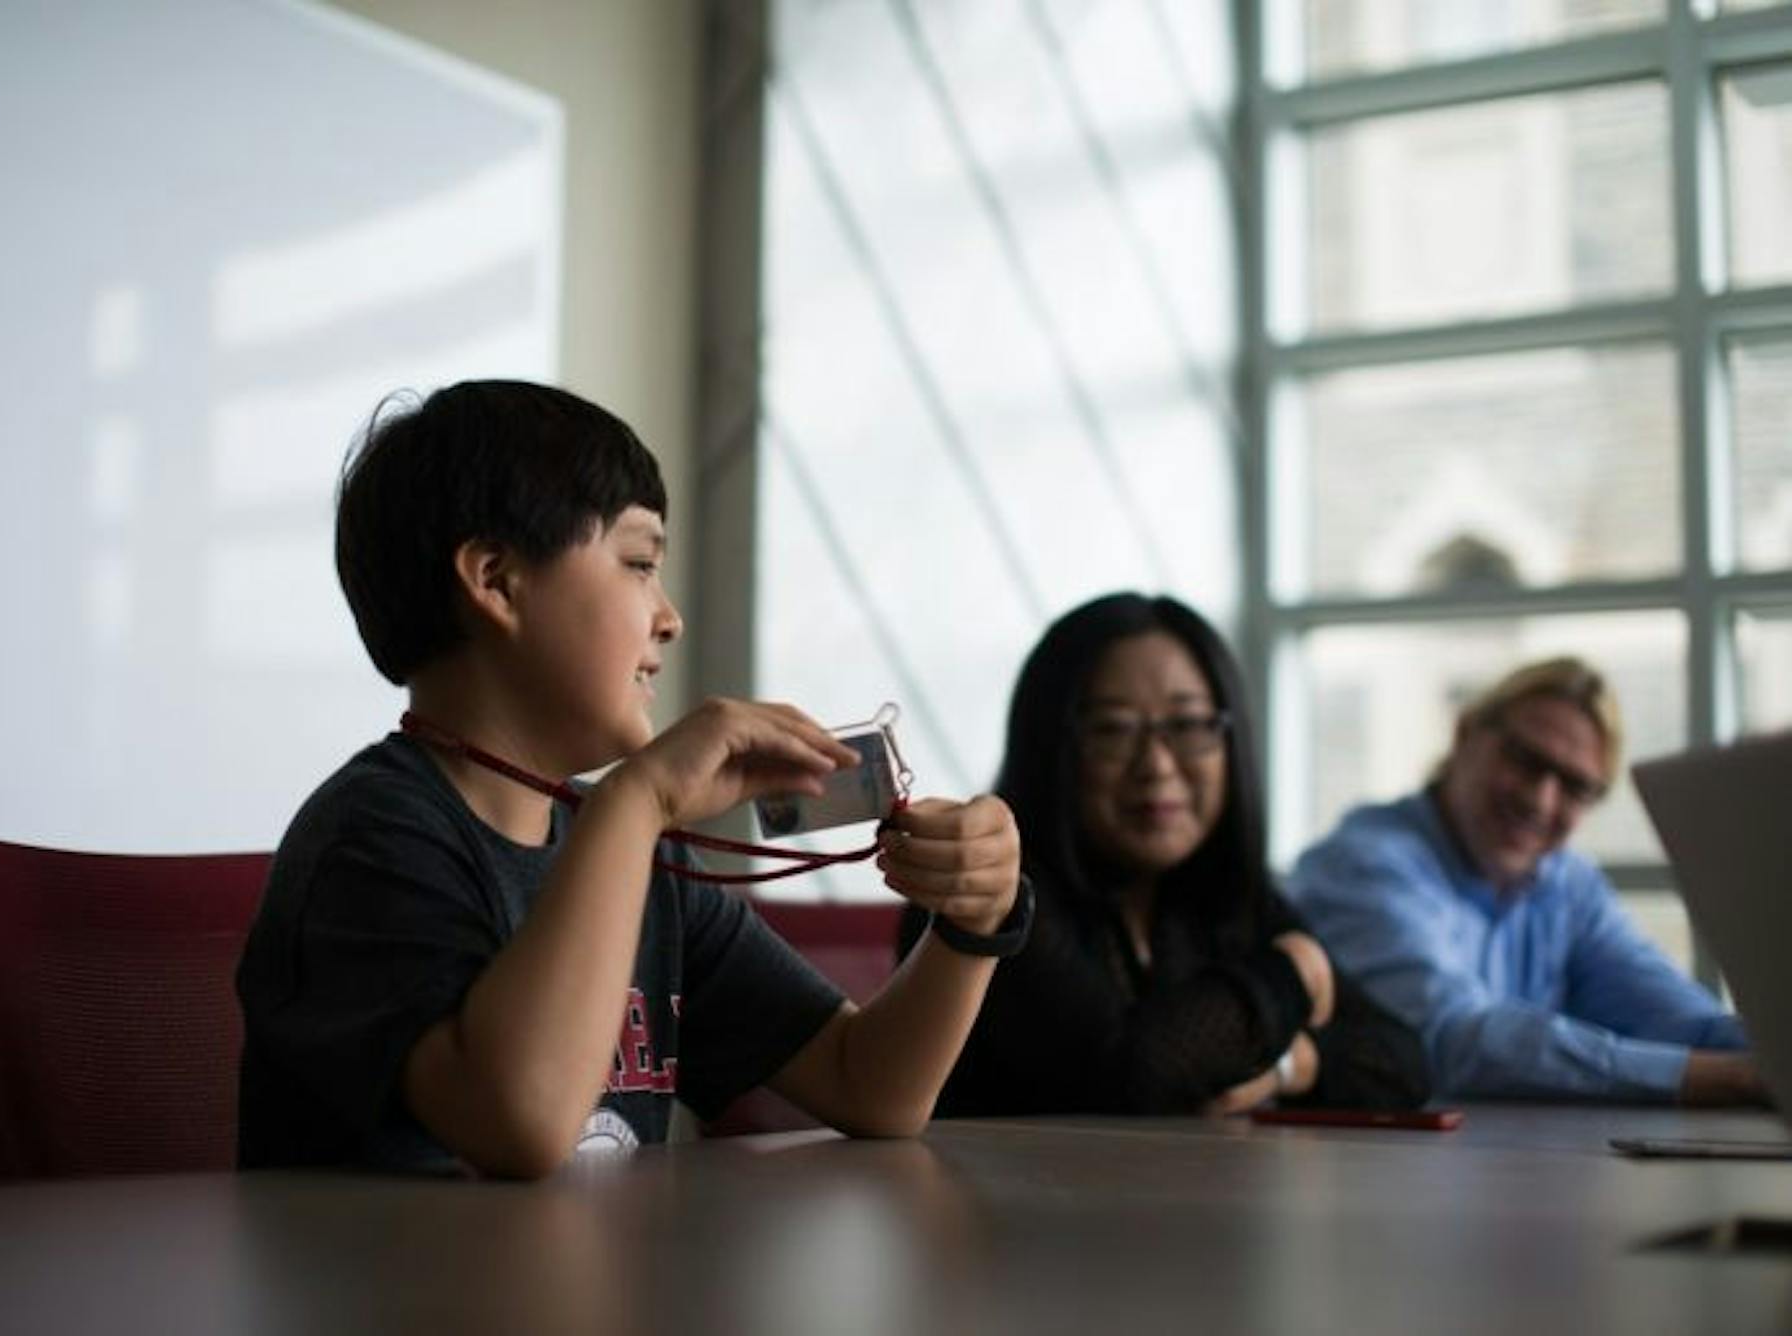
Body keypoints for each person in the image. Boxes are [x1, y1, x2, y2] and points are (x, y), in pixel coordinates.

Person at [236, 380, 1032, 1179]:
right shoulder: (372, 841)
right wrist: (636, 798)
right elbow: (522, 1123)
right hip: (399, 1302)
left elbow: (871, 1086)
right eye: (639, 563)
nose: (669, 616)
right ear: (496, 581)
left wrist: (975, 923)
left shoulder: (627, 850)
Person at [900, 594, 1428, 1116]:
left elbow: (1405, 1059)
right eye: (1113, 729)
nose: (1156, 765)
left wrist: (1292, 1064)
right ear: (1050, 747)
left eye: (1188, 726)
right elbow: (1125, 1080)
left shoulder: (1222, 893)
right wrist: (1292, 973)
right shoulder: (987, 893)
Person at [1286, 657, 1762, 1106]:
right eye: (1525, 761)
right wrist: (1727, 1077)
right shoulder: (1363, 865)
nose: (1540, 799)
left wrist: (1770, 1050)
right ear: (1464, 734)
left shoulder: (1568, 885)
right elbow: (1448, 1041)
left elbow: (1679, 1018)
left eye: (1574, 787)